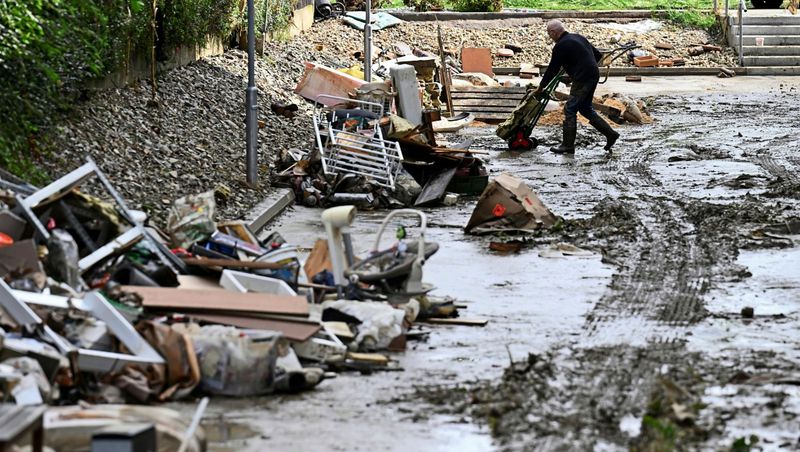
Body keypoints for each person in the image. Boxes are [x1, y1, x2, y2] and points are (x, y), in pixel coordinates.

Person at [534, 20, 619, 155]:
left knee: (570, 108)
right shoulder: (578, 37)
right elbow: (597, 55)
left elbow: (552, 69)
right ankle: (611, 134)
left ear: (554, 32)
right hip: (593, 74)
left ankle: (567, 146)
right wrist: (580, 63)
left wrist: (541, 87)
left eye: (549, 34)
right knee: (585, 108)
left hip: (582, 78)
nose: (549, 37)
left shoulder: (560, 46)